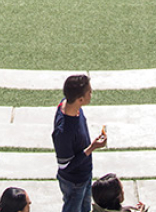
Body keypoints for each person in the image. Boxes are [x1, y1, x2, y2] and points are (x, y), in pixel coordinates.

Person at [52, 74, 108, 212]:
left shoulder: (72, 107)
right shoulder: (63, 132)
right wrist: (92, 147)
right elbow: (65, 165)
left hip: (85, 174)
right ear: (80, 99)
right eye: (89, 91)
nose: (91, 93)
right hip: (74, 182)